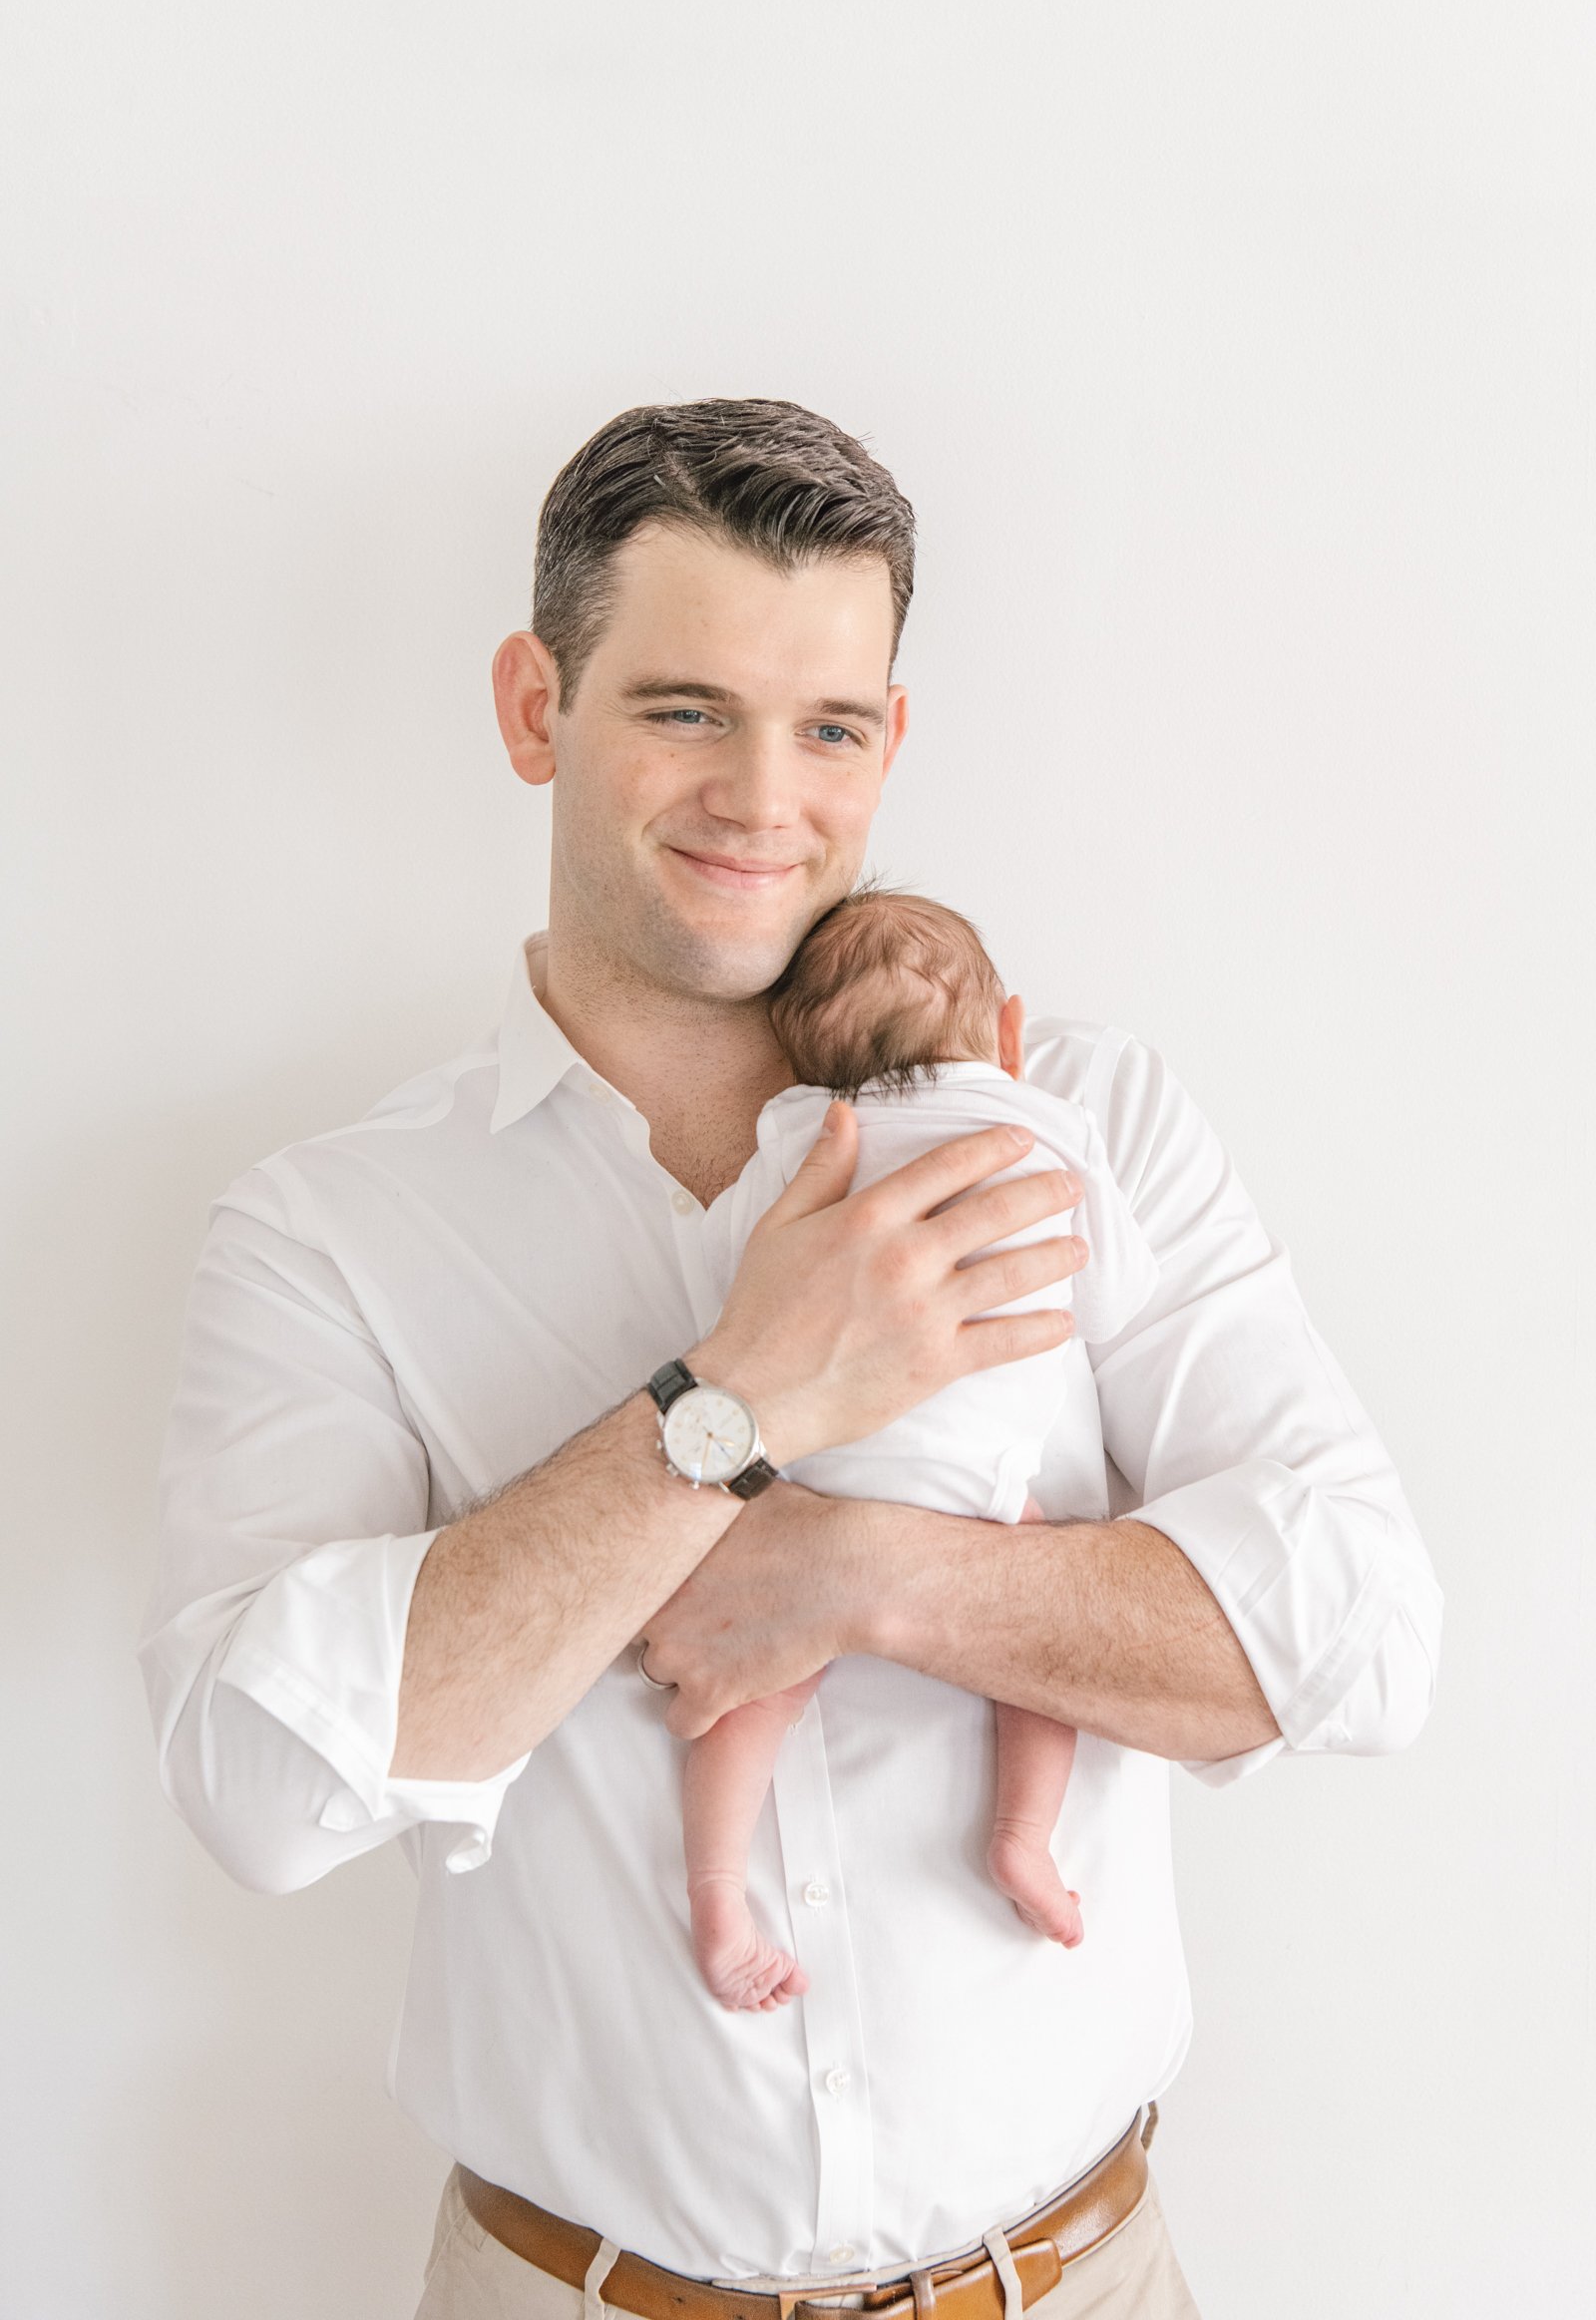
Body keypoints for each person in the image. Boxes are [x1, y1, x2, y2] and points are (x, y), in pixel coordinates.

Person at [139, 397, 1443, 2320]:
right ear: (532, 708)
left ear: (888, 741)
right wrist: (731, 1412)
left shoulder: (1080, 1120)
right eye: (684, 710)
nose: (767, 796)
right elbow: (258, 1789)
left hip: (1086, 2279)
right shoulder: (325, 1234)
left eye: (829, 726)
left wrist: (861, 1570)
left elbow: (1365, 1639)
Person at [680, 883, 1163, 2010]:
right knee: (1042, 1646)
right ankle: (1021, 1842)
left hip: (809, 1481)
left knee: (748, 1694)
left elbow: (721, 1295)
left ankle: (714, 1898)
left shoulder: (799, 1136)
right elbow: (1114, 1297)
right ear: (1008, 1034)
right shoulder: (1051, 1128)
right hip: (986, 1497)